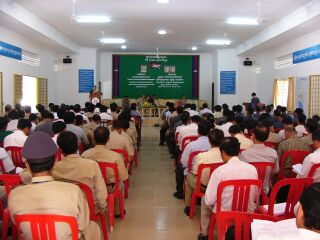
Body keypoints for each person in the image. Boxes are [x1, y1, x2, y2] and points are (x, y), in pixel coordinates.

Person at [8, 131, 103, 240]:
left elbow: (17, 224)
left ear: (26, 164)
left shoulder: (14, 195)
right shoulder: (74, 191)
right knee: (93, 227)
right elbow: (82, 224)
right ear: (55, 160)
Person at [198, 137, 258, 240]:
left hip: (225, 212)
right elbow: (255, 196)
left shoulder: (219, 171)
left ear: (223, 152)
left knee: (204, 200)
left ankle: (204, 235)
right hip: (247, 210)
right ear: (239, 151)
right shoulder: (252, 169)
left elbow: (210, 200)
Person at [54, 131, 108, 213]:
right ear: (78, 145)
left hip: (64, 207)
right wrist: (103, 205)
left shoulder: (54, 167)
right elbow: (100, 189)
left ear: (60, 150)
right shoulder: (92, 164)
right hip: (88, 206)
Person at [82, 127, 129, 216]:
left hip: (91, 186)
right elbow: (124, 176)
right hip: (110, 187)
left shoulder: (85, 154)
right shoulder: (115, 156)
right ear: (108, 139)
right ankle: (118, 211)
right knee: (121, 183)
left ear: (94, 139)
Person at [184, 129, 224, 215]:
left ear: (209, 141)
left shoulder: (202, 156)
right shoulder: (226, 156)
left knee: (189, 176)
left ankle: (188, 206)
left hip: (204, 186)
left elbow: (195, 172)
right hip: (222, 185)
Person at [174, 120, 212, 199]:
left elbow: (184, 163)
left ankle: (180, 193)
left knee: (179, 167)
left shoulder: (191, 145)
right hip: (211, 175)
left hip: (195, 174)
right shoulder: (214, 145)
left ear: (198, 131)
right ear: (209, 132)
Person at [239, 125, 278, 194]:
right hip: (266, 190)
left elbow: (242, 174)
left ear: (253, 136)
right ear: (267, 138)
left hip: (249, 190)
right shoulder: (273, 153)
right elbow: (275, 171)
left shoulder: (245, 154)